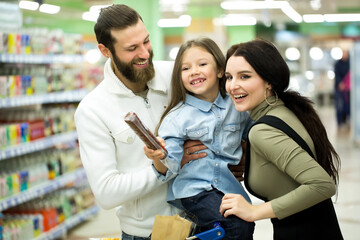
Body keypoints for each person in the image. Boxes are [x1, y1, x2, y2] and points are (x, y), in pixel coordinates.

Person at [74, 4, 207, 239]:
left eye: (146, 41)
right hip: (147, 233)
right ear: (106, 51)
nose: (144, 53)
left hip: (206, 221)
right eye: (132, 48)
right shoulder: (92, 110)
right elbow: (106, 193)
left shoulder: (178, 76)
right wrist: (161, 168)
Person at [220, 39, 343, 240]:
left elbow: (322, 185)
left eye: (244, 76)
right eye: (229, 77)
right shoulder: (286, 109)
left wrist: (253, 212)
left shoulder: (262, 130)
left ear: (269, 81)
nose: (233, 86)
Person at [144, 37, 255, 240]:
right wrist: (160, 154)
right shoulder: (177, 118)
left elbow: (254, 133)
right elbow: (172, 161)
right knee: (235, 225)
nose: (194, 71)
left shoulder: (236, 106)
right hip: (195, 191)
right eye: (185, 68)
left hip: (228, 187)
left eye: (202, 64)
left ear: (221, 70)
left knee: (244, 223)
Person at [334, 49, 350, 131]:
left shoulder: (351, 63)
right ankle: (340, 123)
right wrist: (340, 83)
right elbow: (337, 75)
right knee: (340, 106)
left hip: (349, 89)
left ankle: (347, 120)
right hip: (339, 89)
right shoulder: (337, 64)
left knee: (348, 106)